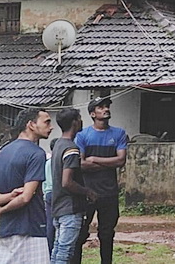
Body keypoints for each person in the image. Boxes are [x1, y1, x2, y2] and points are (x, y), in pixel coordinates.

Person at [0, 108, 53, 264]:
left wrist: (7, 198)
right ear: (31, 125)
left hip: (6, 230)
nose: (51, 126)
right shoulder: (36, 153)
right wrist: (5, 207)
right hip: (31, 228)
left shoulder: (2, 153)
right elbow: (26, 197)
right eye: (47, 122)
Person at [72, 97, 127, 264]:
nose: (105, 109)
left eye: (107, 106)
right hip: (87, 192)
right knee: (80, 233)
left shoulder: (119, 133)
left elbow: (121, 161)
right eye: (101, 107)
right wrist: (109, 163)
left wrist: (95, 159)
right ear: (92, 113)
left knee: (107, 233)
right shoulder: (82, 136)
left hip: (109, 192)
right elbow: (80, 164)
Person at [52, 108, 97, 264]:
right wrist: (87, 191)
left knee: (58, 249)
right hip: (70, 208)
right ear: (74, 122)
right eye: (79, 118)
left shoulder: (58, 144)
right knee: (65, 252)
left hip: (58, 207)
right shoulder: (71, 148)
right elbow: (67, 182)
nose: (81, 121)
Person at [43, 138, 57, 253]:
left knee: (49, 222)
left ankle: (49, 248)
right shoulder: (57, 162)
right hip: (56, 193)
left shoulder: (47, 162)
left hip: (47, 193)